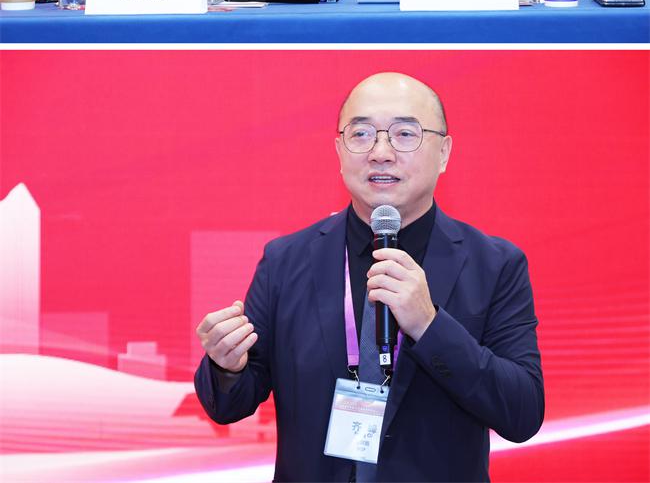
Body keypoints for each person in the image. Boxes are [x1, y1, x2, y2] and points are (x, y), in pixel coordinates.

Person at [194, 72, 544, 482]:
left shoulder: (495, 265)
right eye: (361, 134)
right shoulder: (285, 261)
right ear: (339, 151)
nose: (381, 152)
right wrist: (226, 365)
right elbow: (229, 405)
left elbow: (522, 413)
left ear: (444, 153)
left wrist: (429, 326)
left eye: (404, 134)